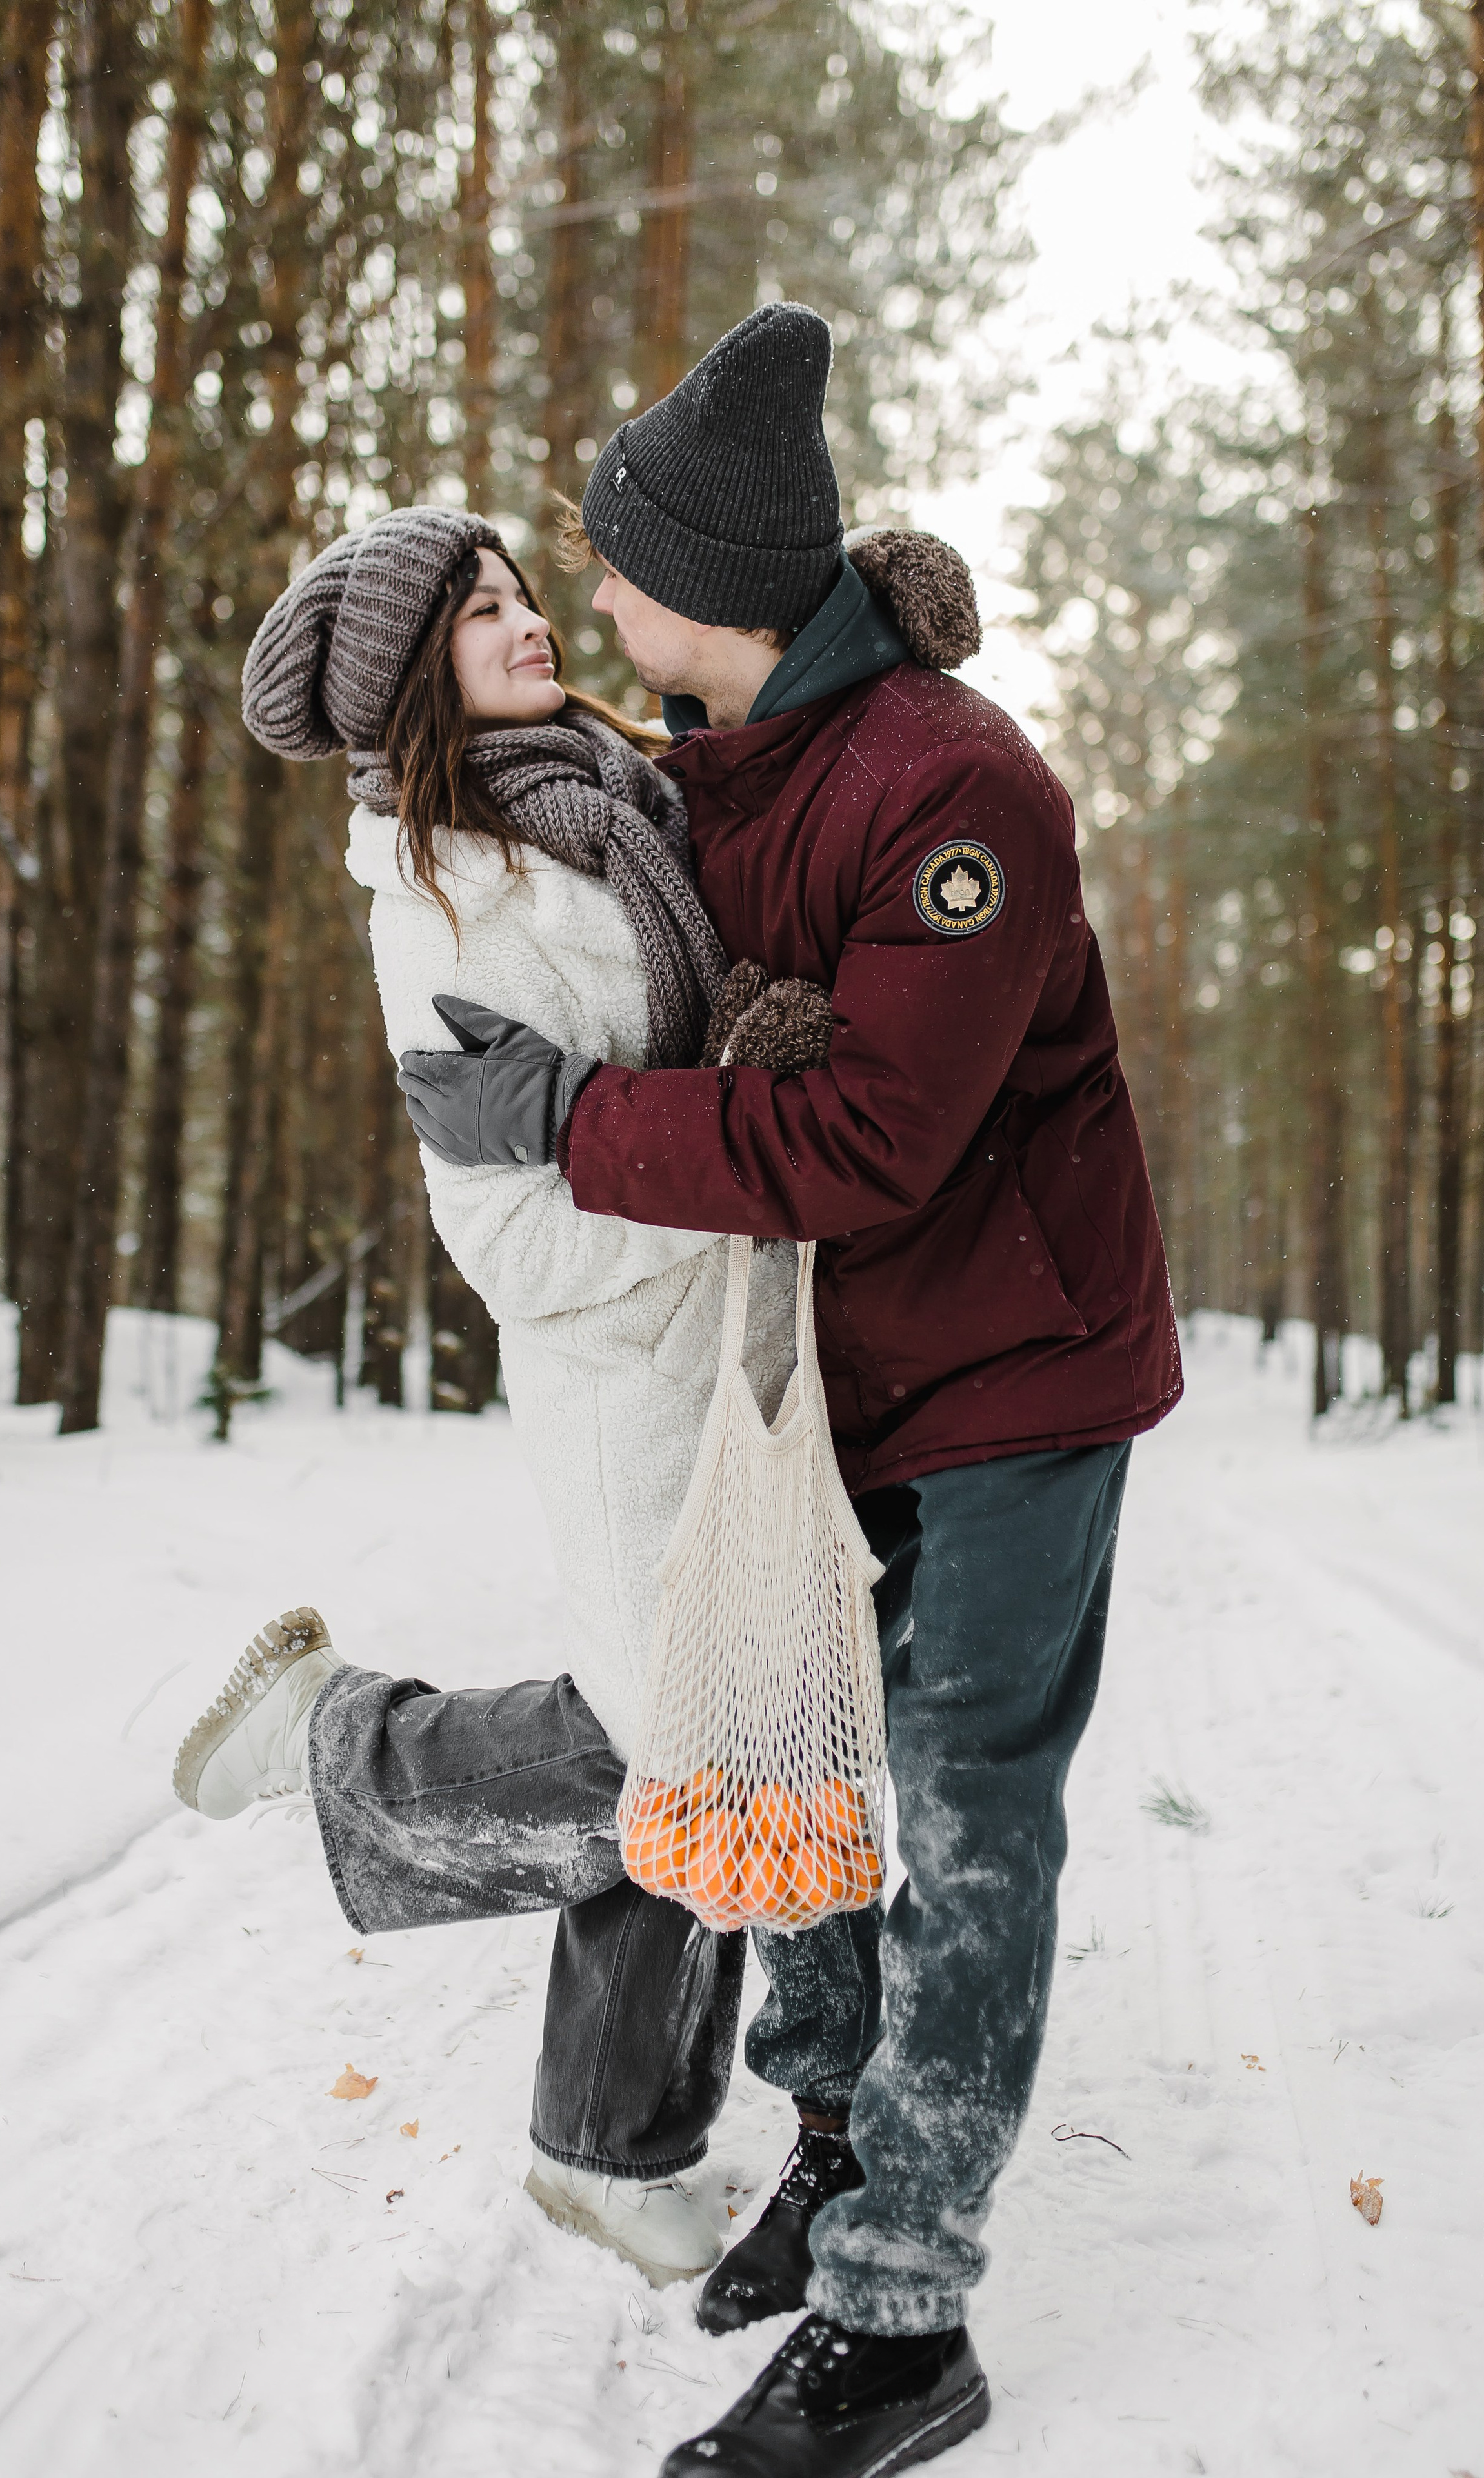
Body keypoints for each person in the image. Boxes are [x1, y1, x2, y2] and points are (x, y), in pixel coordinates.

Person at [397, 303, 1184, 2474]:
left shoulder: (960, 793)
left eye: (612, 559)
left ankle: (909, 2312)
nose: (590, 590)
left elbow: (866, 1145)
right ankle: (839, 2131)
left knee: (971, 1820)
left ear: (717, 585)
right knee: (808, 1771)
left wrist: (561, 1125)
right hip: (837, 1379)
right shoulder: (701, 766)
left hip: (1022, 1374)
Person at [173, 506, 883, 2288]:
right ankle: (340, 1739)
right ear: (414, 674)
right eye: (478, 609)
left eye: (520, 591)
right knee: (684, 1751)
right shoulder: (439, 896)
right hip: (633, 1371)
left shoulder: (617, 800)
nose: (527, 619)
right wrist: (733, 1194)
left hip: (737, 1344)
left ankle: (615, 2149)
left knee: (713, 1758)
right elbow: (500, 1226)